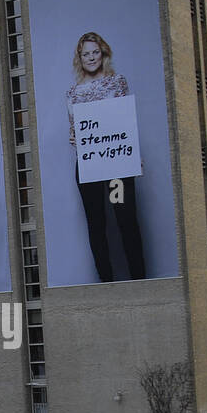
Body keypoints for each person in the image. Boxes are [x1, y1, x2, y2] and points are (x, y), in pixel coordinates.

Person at [67, 31, 146, 282]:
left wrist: (132, 152)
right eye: (86, 54)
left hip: (117, 163)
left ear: (103, 54)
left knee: (125, 219)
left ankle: (139, 279)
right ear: (80, 58)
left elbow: (125, 122)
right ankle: (106, 283)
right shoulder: (72, 93)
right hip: (88, 165)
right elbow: (74, 131)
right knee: (96, 225)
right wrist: (74, 138)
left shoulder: (118, 82)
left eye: (95, 52)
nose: (91, 58)